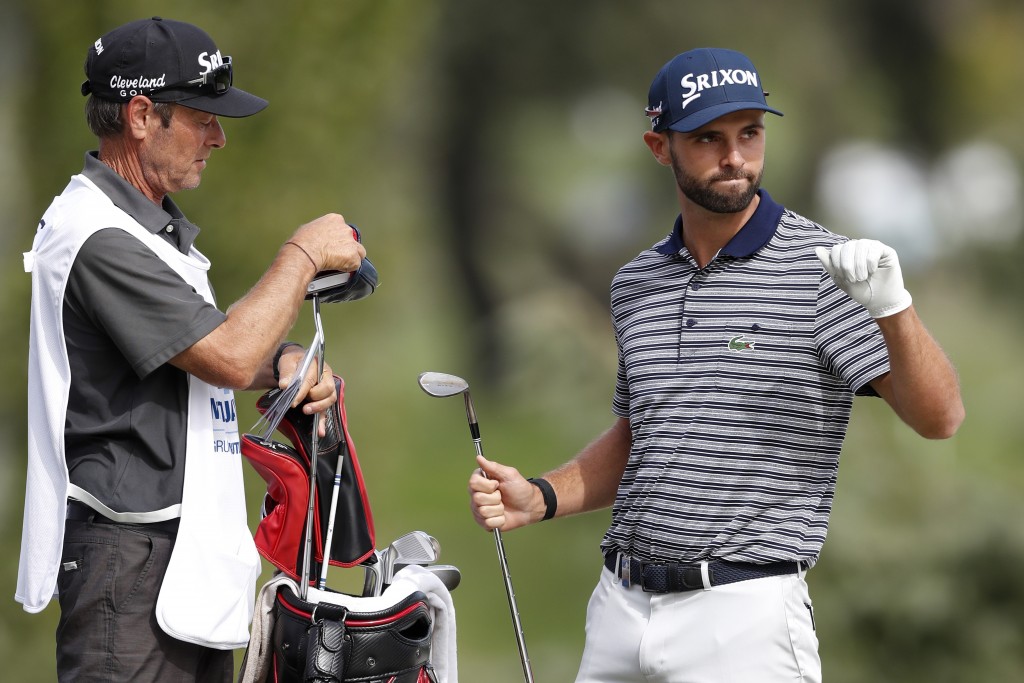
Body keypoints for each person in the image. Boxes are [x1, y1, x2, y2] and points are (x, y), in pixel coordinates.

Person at [468, 47, 964, 682]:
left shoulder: (825, 268)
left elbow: (940, 418)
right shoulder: (636, 281)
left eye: (750, 134)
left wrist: (894, 308)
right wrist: (540, 496)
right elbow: (645, 436)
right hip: (620, 607)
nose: (735, 158)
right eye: (708, 139)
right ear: (659, 145)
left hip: (744, 616)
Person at [16, 17, 366, 682]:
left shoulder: (142, 229)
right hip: (130, 563)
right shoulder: (97, 234)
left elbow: (201, 354)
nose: (219, 136)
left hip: (173, 562)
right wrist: (302, 253)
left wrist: (284, 360)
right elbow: (228, 355)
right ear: (143, 116)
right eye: (203, 116)